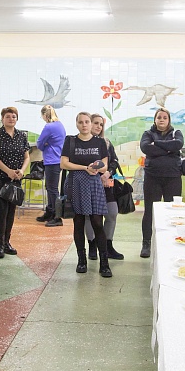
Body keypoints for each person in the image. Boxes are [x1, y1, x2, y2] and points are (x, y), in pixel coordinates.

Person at [61, 112, 112, 277]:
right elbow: (63, 163)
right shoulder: (70, 141)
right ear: (76, 124)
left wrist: (96, 168)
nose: (84, 125)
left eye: (87, 122)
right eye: (81, 122)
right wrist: (85, 168)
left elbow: (105, 165)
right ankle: (81, 260)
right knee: (79, 222)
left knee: (97, 222)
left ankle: (104, 263)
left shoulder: (100, 142)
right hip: (76, 182)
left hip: (94, 183)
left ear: (91, 124)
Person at [139, 108, 184, 258]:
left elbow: (178, 144)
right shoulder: (147, 134)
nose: (162, 120)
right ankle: (146, 243)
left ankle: (172, 242)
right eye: (159, 117)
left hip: (173, 177)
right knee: (149, 211)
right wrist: (168, 149)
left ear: (169, 120)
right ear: (155, 119)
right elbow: (146, 148)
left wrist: (157, 144)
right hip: (153, 177)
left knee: (173, 212)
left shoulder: (176, 132)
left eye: (165, 117)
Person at [0, 106, 30, 258]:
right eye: (8, 116)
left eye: (13, 116)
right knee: (1, 210)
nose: (11, 119)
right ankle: (0, 243)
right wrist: (7, 171)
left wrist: (22, 170)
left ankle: (7, 242)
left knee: (12, 210)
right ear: (2, 118)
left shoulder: (21, 135)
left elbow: (27, 157)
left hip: (16, 178)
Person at [85, 114, 123, 261]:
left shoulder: (106, 142)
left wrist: (108, 173)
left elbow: (114, 161)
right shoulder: (83, 143)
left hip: (107, 185)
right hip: (89, 184)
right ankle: (92, 245)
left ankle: (108, 246)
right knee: (90, 215)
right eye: (96, 123)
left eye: (101, 124)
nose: (98, 127)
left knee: (112, 212)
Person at [36, 105, 66, 227]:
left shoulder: (49, 126)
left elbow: (39, 143)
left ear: (45, 115)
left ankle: (57, 216)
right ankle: (50, 212)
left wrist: (45, 145)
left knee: (52, 189)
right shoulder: (60, 125)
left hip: (51, 160)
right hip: (58, 159)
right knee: (50, 188)